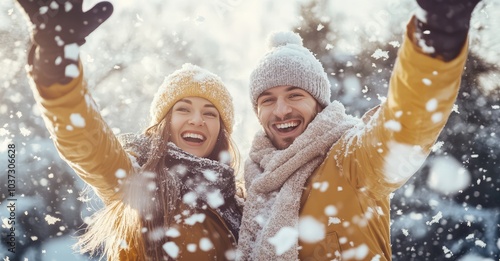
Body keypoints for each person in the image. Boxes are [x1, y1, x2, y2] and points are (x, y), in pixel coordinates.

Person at [237, 0, 481, 260]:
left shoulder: (352, 159)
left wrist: (438, 32)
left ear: (319, 104)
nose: (281, 110)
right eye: (268, 100)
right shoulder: (252, 186)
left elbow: (407, 123)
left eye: (295, 95)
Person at [15, 0, 242, 260]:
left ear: (221, 132)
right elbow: (84, 139)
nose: (197, 120)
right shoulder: (137, 180)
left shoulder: (238, 201)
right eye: (183, 109)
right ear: (163, 124)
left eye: (210, 113)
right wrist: (57, 72)